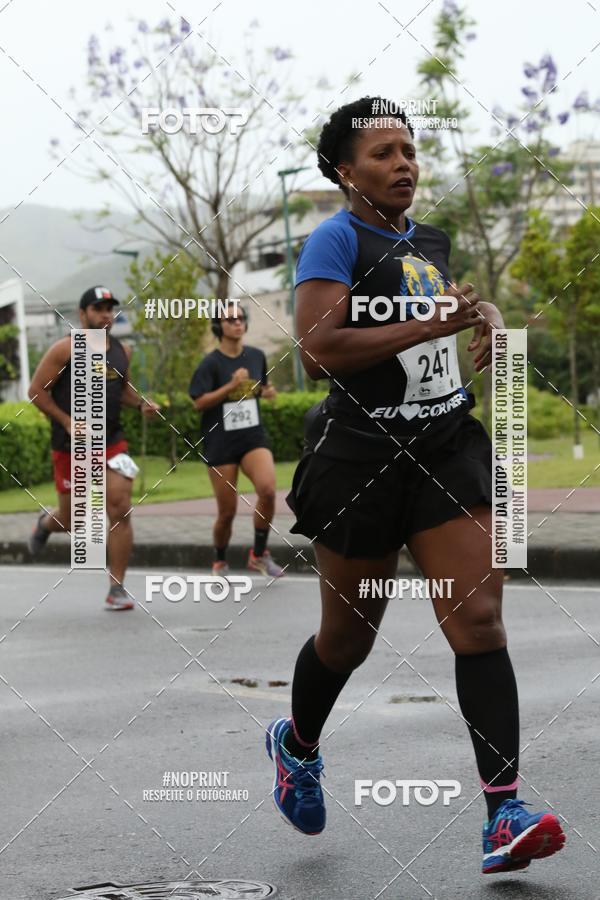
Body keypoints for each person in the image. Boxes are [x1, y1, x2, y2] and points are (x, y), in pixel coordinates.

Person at [266, 98, 565, 874]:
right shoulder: (335, 237)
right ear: (344, 171)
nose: (404, 164)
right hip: (361, 463)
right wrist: (429, 326)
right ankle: (297, 744)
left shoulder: (426, 238)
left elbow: (440, 306)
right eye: (384, 153)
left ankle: (505, 813)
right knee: (347, 641)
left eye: (409, 150)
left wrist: (483, 315)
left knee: (481, 624)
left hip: (445, 446)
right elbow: (319, 349)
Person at [27, 286, 160, 610]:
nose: (105, 316)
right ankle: (47, 522)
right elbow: (35, 392)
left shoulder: (121, 351)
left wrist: (141, 403)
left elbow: (122, 389)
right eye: (98, 309)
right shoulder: (65, 350)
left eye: (110, 309)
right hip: (71, 447)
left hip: (111, 442)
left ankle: (117, 588)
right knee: (74, 520)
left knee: (119, 506)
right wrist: (67, 420)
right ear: (82, 314)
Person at [188, 304, 284, 578]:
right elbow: (199, 402)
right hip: (221, 442)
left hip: (252, 435)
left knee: (267, 490)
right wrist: (230, 386)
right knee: (227, 512)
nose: (237, 323)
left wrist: (266, 391)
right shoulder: (210, 363)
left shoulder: (256, 356)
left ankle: (259, 554)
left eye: (241, 319)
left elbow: (260, 386)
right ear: (219, 327)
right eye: (230, 320)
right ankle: (219, 560)